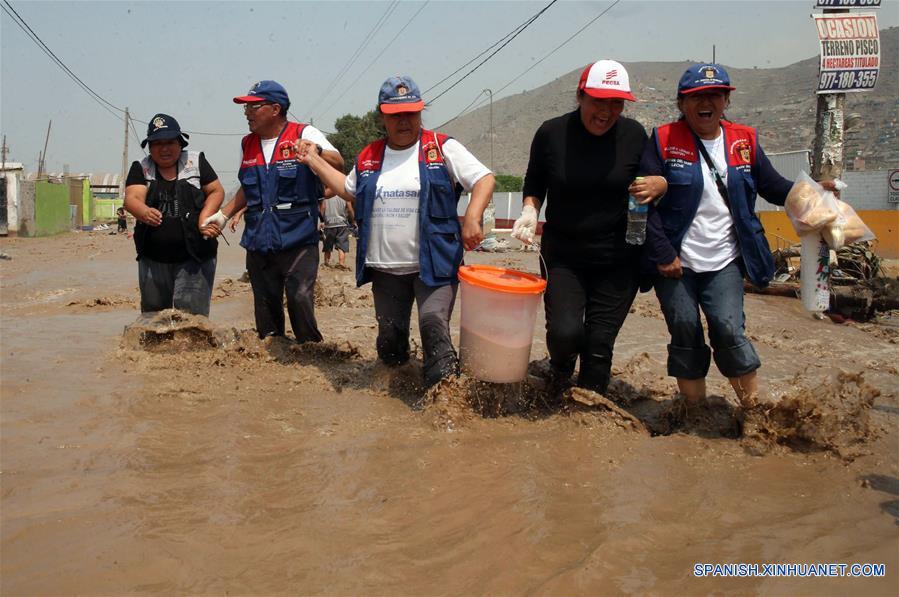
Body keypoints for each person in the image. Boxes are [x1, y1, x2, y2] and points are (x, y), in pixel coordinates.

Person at [640, 63, 838, 406]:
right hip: (675, 262)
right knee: (685, 329)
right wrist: (662, 254)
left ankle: (753, 412)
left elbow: (773, 186)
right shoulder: (663, 139)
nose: (707, 102)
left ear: (726, 101)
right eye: (697, 96)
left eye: (715, 95)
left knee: (729, 329)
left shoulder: (743, 140)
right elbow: (641, 202)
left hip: (725, 261)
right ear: (682, 103)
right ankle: (695, 413)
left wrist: (813, 192)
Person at [296, 75, 495, 386]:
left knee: (433, 326)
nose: (404, 121)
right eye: (396, 115)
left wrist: (473, 215)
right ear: (382, 117)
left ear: (420, 113)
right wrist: (313, 160)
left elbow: (483, 179)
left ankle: (445, 404)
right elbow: (348, 191)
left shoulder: (442, 148)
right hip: (387, 269)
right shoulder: (369, 156)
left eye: (411, 113)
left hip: (435, 265)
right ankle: (394, 396)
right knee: (389, 342)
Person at [512, 60, 667, 395]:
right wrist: (529, 209)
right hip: (564, 256)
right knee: (565, 336)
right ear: (580, 96)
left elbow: (655, 177)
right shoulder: (551, 133)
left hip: (618, 259)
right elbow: (535, 181)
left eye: (616, 103)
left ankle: (588, 420)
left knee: (598, 346)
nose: (607, 111)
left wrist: (660, 183)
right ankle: (558, 379)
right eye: (598, 101)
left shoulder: (634, 135)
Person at [203, 80, 344, 342]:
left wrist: (316, 151)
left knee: (300, 297)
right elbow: (248, 188)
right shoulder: (248, 144)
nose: (247, 113)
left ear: (275, 109)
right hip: (259, 240)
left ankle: (311, 351)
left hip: (298, 237)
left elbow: (338, 161)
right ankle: (273, 353)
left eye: (253, 107)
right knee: (265, 308)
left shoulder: (304, 132)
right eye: (246, 108)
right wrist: (222, 215)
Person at [123, 114, 225, 316]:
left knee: (190, 320)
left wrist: (205, 216)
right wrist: (143, 212)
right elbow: (131, 199)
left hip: (195, 258)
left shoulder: (196, 162)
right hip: (153, 260)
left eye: (170, 142)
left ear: (180, 143)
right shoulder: (141, 167)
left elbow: (216, 191)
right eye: (157, 143)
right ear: (149, 147)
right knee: (153, 320)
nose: (164, 148)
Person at [320, 195, 354, 269]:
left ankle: (326, 262)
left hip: (329, 223)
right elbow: (350, 208)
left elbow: (323, 207)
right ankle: (341, 262)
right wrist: (353, 220)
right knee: (342, 244)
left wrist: (321, 221)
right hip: (342, 223)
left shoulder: (326, 195)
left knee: (327, 244)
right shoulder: (343, 193)